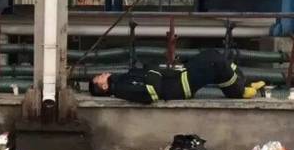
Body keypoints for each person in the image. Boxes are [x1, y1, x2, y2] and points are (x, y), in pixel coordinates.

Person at [88, 49, 266, 104]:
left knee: (211, 54)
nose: (102, 74)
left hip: (179, 76)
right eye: (99, 78)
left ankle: (242, 83)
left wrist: (154, 69)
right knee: (215, 62)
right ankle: (239, 91)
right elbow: (151, 93)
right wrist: (153, 69)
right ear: (104, 87)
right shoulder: (121, 88)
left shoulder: (121, 80)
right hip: (180, 87)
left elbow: (150, 76)